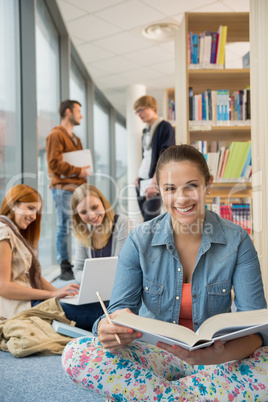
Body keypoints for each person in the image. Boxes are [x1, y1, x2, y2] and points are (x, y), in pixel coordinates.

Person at [62, 144, 268, 401]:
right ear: (158, 189)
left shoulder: (237, 240)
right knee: (77, 353)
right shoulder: (139, 240)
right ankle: (194, 393)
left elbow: (258, 330)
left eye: (191, 186)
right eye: (170, 188)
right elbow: (118, 311)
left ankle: (153, 393)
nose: (182, 199)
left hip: (219, 359)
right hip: (155, 357)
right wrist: (107, 328)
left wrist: (216, 356)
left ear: (208, 185)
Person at [0, 184, 107, 330]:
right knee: (100, 310)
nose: (33, 216)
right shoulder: (3, 232)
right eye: (30, 208)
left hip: (32, 301)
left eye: (36, 211)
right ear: (13, 205)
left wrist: (60, 294)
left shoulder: (14, 233)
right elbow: (3, 287)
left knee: (99, 303)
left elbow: (33, 277)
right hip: (22, 307)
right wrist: (51, 293)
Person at [46, 99, 90, 281]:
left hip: (78, 187)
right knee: (64, 226)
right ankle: (64, 265)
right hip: (63, 188)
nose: (81, 115)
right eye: (78, 111)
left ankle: (80, 262)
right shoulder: (56, 135)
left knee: (81, 224)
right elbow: (54, 163)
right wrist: (78, 170)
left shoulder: (76, 139)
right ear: (68, 112)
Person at [71, 183, 131, 283]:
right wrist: (90, 281)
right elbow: (78, 270)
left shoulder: (122, 223)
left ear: (103, 203)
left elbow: (121, 267)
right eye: (83, 212)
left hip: (119, 285)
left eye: (94, 207)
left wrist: (93, 279)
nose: (92, 216)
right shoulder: (82, 229)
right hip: (94, 286)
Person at [134, 95, 175, 221]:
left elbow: (165, 156)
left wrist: (155, 181)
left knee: (151, 221)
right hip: (142, 180)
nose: (139, 114)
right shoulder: (146, 132)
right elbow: (146, 157)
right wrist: (138, 176)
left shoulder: (165, 127)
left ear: (153, 108)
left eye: (141, 109)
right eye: (137, 112)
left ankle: (153, 242)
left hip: (154, 181)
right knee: (146, 220)